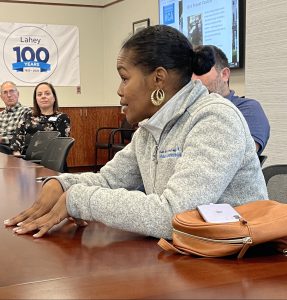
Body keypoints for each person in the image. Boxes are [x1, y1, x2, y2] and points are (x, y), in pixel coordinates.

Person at [4, 25, 268, 239]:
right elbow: (109, 180)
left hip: (244, 269)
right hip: (190, 258)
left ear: (158, 79)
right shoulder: (150, 128)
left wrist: (80, 199)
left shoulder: (215, 118)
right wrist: (61, 183)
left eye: (124, 77)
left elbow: (176, 215)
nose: (119, 90)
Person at [191, 45, 270, 155]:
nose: (193, 79)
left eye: (200, 70)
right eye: (189, 72)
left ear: (224, 74)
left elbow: (239, 156)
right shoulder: (188, 111)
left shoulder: (248, 109)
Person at [10, 82, 71, 155]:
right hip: (25, 161)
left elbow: (61, 146)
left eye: (47, 93)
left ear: (54, 97)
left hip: (50, 161)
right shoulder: (27, 115)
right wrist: (17, 156)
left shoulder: (61, 118)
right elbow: (17, 137)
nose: (43, 96)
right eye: (39, 94)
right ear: (36, 99)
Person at [0, 81, 31, 153]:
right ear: (1, 97)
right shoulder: (1, 115)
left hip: (14, 149)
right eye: (5, 92)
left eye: (11, 91)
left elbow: (24, 137)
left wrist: (2, 139)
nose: (9, 95)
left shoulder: (26, 112)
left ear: (18, 94)